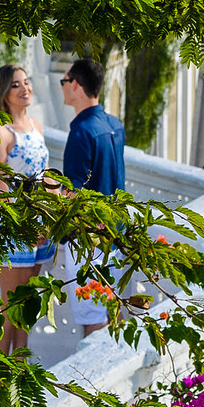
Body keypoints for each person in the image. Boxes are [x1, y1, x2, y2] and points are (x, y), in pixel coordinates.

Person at [0, 64, 56, 356]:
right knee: (10, 306)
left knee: (28, 302)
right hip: (14, 228)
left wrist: (52, 215)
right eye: (16, 85)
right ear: (3, 91)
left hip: (41, 224)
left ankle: (20, 368)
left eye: (27, 82)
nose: (25, 89)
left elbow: (47, 174)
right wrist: (25, 228)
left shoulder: (36, 126)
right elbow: (0, 187)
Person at [60, 58, 126, 336]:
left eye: (64, 82)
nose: (63, 87)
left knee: (93, 319)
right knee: (114, 310)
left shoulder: (81, 132)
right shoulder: (114, 124)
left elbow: (73, 191)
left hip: (89, 237)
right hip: (116, 231)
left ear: (75, 85)